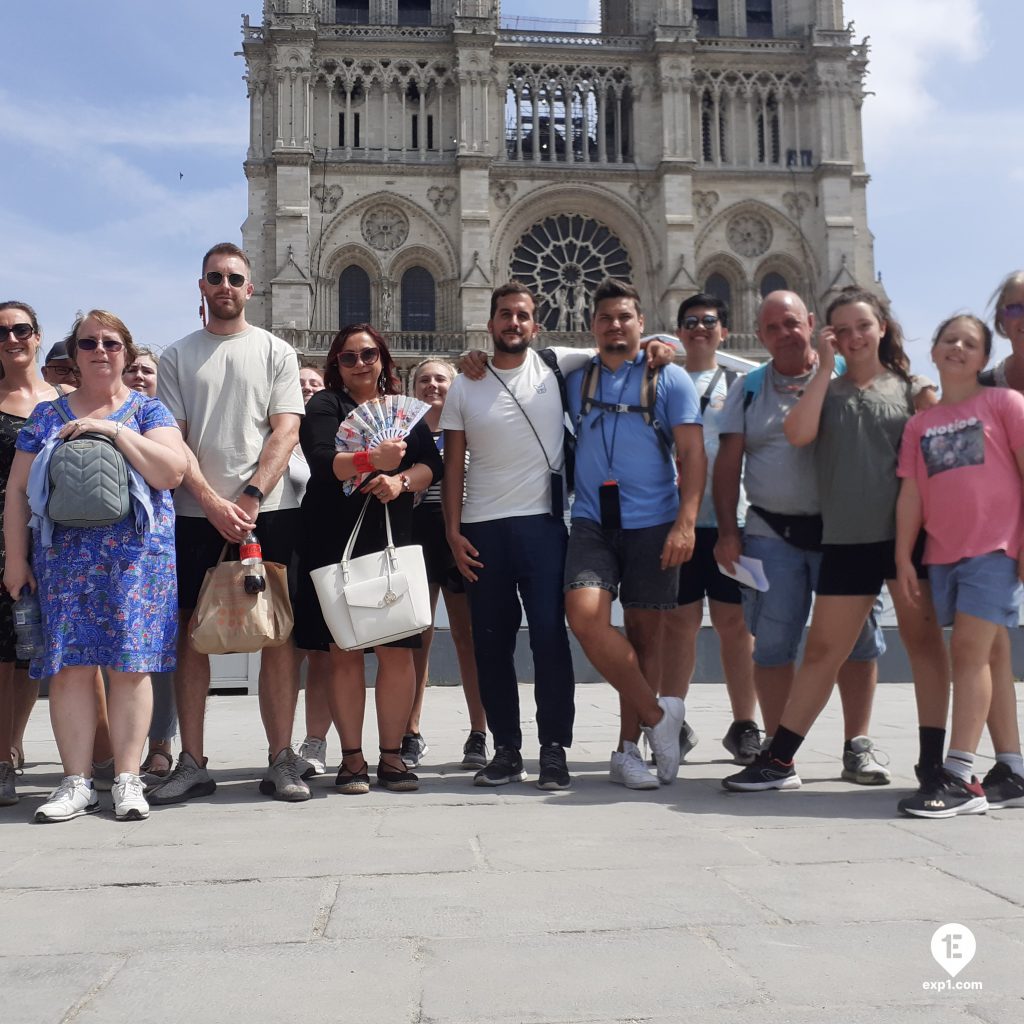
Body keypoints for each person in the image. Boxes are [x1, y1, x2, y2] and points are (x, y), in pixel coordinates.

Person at [722, 288, 947, 792]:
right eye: (841, 330)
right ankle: (779, 760)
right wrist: (825, 366)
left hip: (906, 540)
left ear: (882, 327)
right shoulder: (826, 389)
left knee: (923, 647)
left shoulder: (913, 389)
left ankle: (934, 765)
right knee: (824, 651)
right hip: (846, 539)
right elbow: (798, 433)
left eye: (862, 326)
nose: (853, 337)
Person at [4, 310, 187, 822]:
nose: (100, 351)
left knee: (130, 667)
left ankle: (128, 779)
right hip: (64, 560)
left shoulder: (150, 413)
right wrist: (15, 560)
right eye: (88, 343)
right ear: (74, 353)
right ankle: (76, 782)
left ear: (126, 352)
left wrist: (111, 430)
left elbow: (171, 471)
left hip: (136, 561)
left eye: (110, 342)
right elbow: (18, 493)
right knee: (69, 669)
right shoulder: (46, 416)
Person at [151, 242, 309, 805]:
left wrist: (250, 496)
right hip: (197, 515)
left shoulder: (276, 352)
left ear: (250, 287)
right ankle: (192, 761)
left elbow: (285, 430)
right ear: (201, 286)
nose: (225, 286)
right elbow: (174, 440)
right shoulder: (177, 356)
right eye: (214, 277)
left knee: (277, 633)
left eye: (235, 278)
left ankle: (281, 759)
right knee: (194, 633)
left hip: (270, 512)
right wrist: (214, 504)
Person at [713, 290, 888, 781]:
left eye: (791, 323)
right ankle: (777, 752)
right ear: (760, 334)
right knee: (771, 645)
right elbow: (727, 468)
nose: (784, 335)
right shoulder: (748, 388)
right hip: (772, 533)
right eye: (772, 328)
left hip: (844, 536)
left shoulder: (847, 379)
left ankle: (858, 745)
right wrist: (728, 532)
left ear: (811, 323)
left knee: (859, 644)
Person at [440, 283, 587, 790]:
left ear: (535, 324)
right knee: (490, 645)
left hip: (543, 526)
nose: (514, 324)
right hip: (482, 529)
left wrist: (657, 347)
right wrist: (453, 533)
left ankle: (553, 749)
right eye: (506, 315)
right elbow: (453, 462)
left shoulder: (556, 364)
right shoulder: (465, 382)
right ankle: (505, 749)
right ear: (491, 323)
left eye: (523, 316)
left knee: (550, 640)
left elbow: (620, 348)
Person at [563, 279, 705, 789]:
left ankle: (627, 752)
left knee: (648, 637)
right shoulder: (575, 377)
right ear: (592, 327)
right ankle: (659, 717)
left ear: (641, 323)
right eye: (605, 318)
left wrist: (686, 524)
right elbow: (532, 361)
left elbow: (692, 455)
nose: (615, 325)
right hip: (593, 523)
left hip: (654, 523)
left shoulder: (670, 378)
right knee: (583, 617)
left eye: (625, 317)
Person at [295, 324, 442, 793]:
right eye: (349, 357)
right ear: (335, 364)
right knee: (345, 652)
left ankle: (394, 755)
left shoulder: (403, 412)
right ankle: (352, 759)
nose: (360, 364)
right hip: (335, 539)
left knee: (397, 651)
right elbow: (323, 461)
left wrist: (400, 481)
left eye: (368, 355)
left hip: (389, 537)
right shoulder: (325, 406)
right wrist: (370, 461)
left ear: (383, 359)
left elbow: (430, 467)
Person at [895, 314, 1024, 817]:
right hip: (943, 554)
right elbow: (910, 494)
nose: (957, 348)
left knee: (967, 652)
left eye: (970, 343)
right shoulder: (919, 424)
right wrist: (903, 556)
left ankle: (958, 775)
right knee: (989, 656)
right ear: (934, 351)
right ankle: (1012, 768)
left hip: (995, 547)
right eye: (949, 340)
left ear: (984, 358)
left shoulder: (1004, 403)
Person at [658, 293, 761, 766]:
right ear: (678, 332)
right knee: (678, 626)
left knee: (734, 627)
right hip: (676, 522)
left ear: (723, 330)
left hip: (729, 521)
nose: (700, 328)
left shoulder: (742, 384)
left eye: (709, 321)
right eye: (691, 322)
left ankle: (746, 725)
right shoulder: (661, 381)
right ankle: (673, 723)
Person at [401, 358, 487, 769]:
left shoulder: (470, 430)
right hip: (415, 536)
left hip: (460, 534)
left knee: (468, 637)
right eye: (424, 379)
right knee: (417, 637)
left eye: (440, 379)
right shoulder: (400, 434)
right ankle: (410, 731)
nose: (432, 385)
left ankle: (478, 733)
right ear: (411, 386)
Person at [0, 302, 60, 806]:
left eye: (22, 329)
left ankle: (14, 744)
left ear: (38, 337)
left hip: (49, 540)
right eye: (3, 332)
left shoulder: (61, 400)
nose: (12, 338)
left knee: (27, 657)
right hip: (1, 538)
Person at [119, 346, 177, 785]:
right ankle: (116, 752)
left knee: (157, 654)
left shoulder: (162, 420)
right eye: (132, 368)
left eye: (147, 370)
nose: (139, 375)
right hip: (106, 550)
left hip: (153, 547)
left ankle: (160, 745)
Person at [290, 363, 335, 778]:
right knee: (285, 652)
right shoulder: (277, 433)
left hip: (319, 547)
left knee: (320, 653)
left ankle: (315, 741)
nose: (307, 390)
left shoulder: (334, 435)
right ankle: (280, 746)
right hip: (281, 547)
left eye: (314, 384)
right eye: (300, 383)